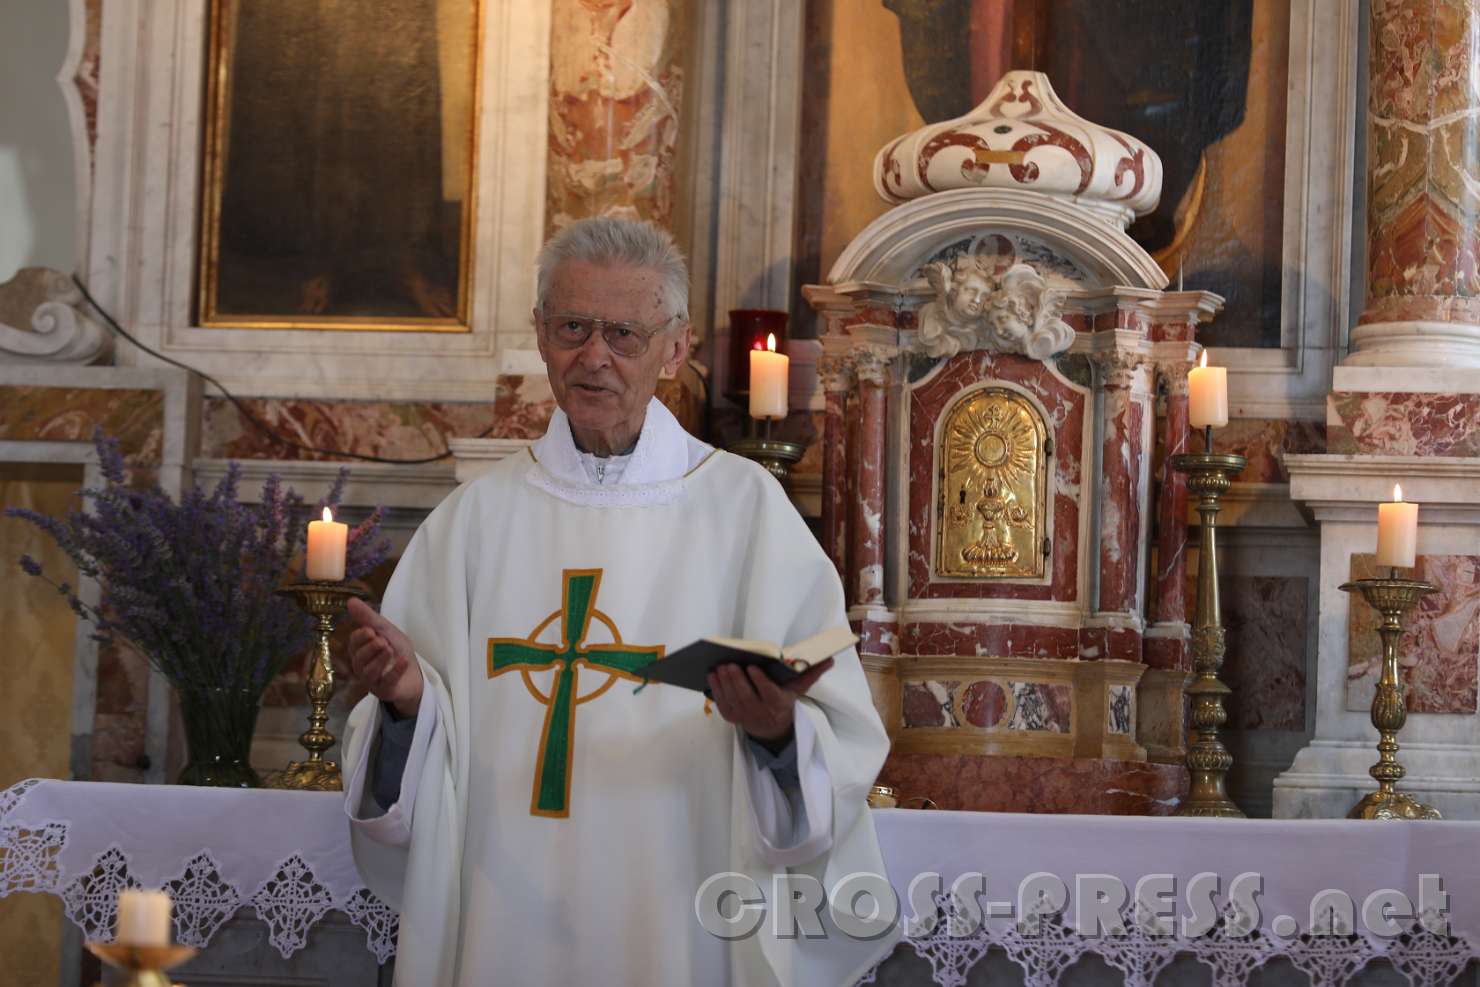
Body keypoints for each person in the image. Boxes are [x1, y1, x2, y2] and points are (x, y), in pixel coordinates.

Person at [340, 217, 898, 985]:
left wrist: (777, 734)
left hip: (682, 899)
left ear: (676, 348)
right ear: (540, 334)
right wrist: (406, 703)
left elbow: (833, 747)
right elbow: (412, 781)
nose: (593, 356)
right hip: (506, 903)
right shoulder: (473, 521)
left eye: (624, 334)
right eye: (572, 326)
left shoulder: (746, 513)